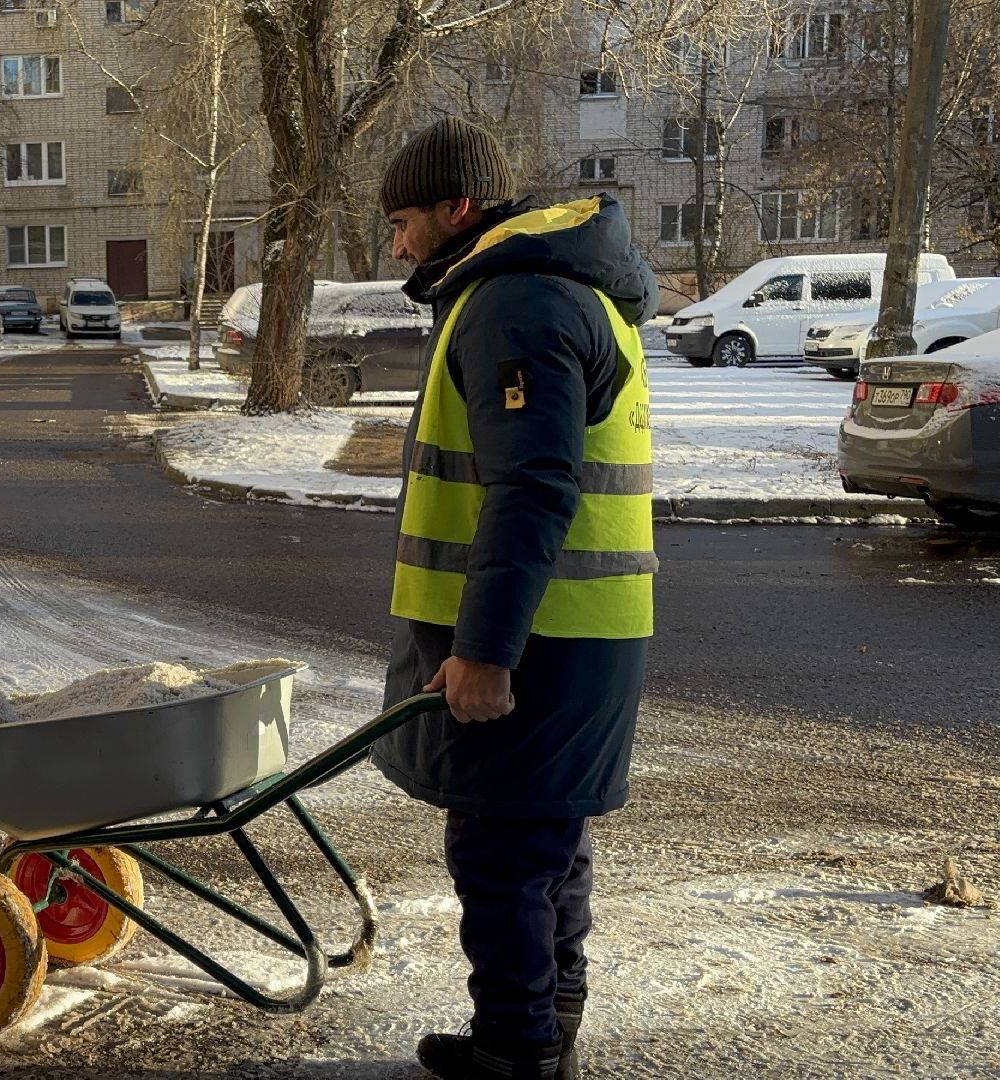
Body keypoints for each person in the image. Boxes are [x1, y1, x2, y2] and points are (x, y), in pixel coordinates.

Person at [370, 117, 658, 1080]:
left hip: (538, 646)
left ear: (459, 210)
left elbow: (532, 486)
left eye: (405, 220)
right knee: (544, 845)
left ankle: (517, 1047)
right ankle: (546, 1023)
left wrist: (486, 651)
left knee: (503, 856)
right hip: (576, 634)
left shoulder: (517, 303)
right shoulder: (552, 291)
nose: (398, 244)